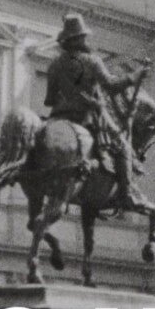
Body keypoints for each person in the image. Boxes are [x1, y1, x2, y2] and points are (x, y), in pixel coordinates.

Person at [43, 13, 144, 192]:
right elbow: (111, 86)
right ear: (80, 39)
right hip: (86, 117)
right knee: (123, 147)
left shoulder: (54, 64)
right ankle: (126, 192)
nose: (85, 40)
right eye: (83, 37)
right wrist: (134, 77)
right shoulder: (92, 61)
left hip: (57, 117)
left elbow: (49, 99)